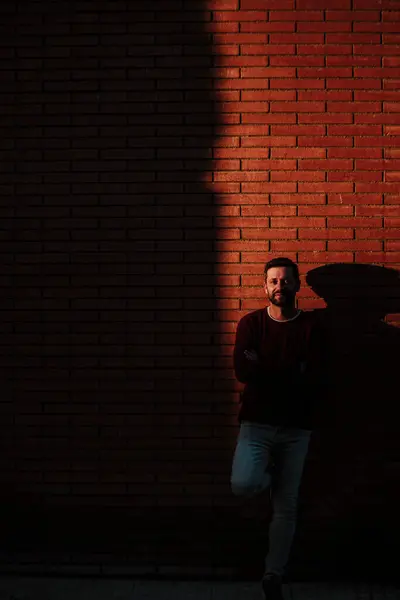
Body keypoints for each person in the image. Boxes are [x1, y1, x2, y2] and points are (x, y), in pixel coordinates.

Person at [231, 257, 327, 600]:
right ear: (264, 286)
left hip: (297, 428)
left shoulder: (313, 327)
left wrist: (266, 367)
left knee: (286, 505)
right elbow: (243, 371)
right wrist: (291, 369)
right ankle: (269, 475)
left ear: (297, 285)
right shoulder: (251, 324)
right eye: (273, 281)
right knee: (243, 484)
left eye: (286, 281)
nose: (279, 286)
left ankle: (274, 573)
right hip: (257, 424)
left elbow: (315, 376)